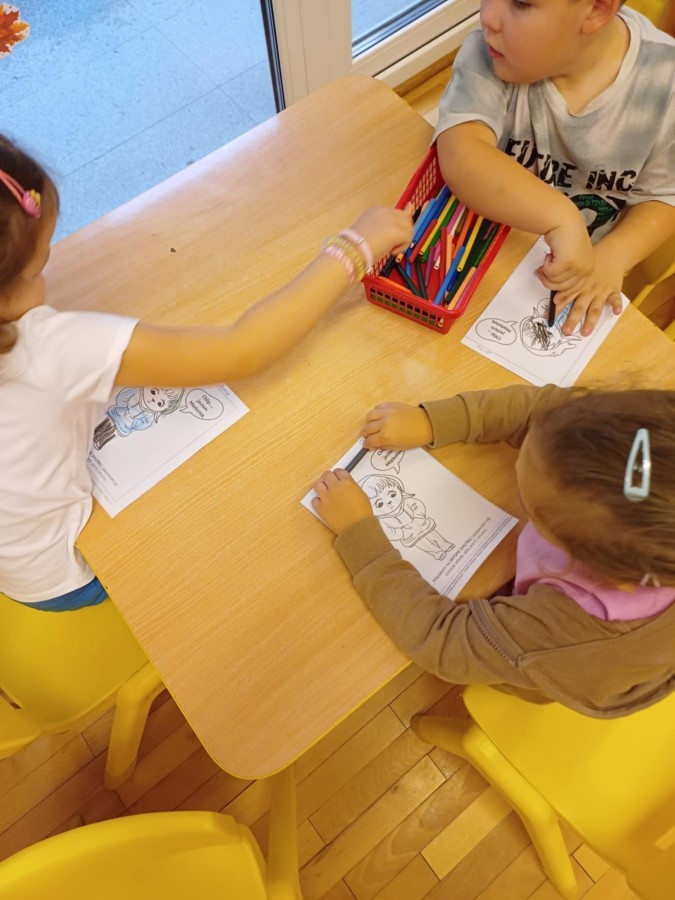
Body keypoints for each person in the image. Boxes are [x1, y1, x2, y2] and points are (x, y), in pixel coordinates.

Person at [0, 133, 412, 611]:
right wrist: (355, 248)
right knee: (238, 522)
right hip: (61, 575)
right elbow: (244, 349)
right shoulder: (55, 347)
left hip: (12, 558)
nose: (47, 283)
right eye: (37, 270)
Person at [312, 384, 675, 717]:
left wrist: (359, 534)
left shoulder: (564, 635)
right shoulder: (634, 438)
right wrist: (434, 422)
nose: (517, 462)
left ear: (584, 558)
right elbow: (542, 410)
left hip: (549, 668)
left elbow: (442, 642)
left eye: (529, 502)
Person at [433, 0, 675, 336]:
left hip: (576, 281)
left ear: (596, 9)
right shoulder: (489, 51)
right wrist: (561, 217)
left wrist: (614, 256)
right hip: (475, 259)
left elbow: (664, 195)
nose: (487, 16)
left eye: (521, 3)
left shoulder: (666, 82)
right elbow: (461, 154)